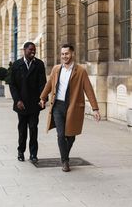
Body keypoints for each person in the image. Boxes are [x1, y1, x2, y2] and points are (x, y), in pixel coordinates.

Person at [40, 44, 101, 172]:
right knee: (61, 135)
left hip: (73, 107)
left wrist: (95, 109)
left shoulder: (80, 71)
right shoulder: (56, 69)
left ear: (72, 54)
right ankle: (65, 161)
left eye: (66, 54)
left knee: (71, 136)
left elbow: (88, 90)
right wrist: (43, 97)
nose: (64, 56)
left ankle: (64, 156)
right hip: (58, 106)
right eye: (62, 54)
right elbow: (49, 84)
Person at [10, 42, 46, 163]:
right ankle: (21, 152)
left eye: (34, 50)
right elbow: (12, 85)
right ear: (24, 50)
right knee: (22, 130)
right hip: (21, 104)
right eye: (30, 49)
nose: (33, 52)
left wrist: (43, 98)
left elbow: (43, 84)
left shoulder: (39, 64)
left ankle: (33, 154)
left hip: (35, 104)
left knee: (33, 128)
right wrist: (17, 100)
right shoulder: (16, 65)